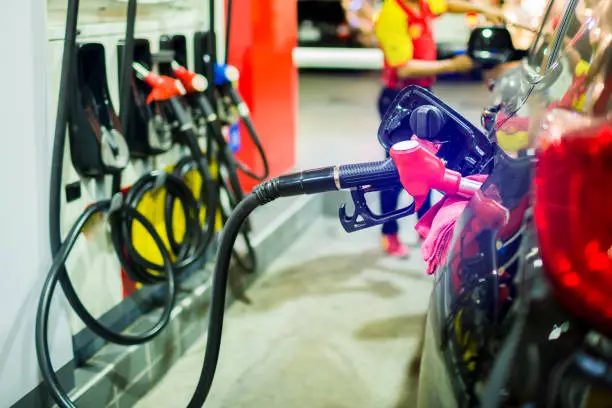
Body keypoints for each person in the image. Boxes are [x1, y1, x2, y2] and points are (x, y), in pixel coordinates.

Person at [373, 0, 505, 257]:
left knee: (431, 164)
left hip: (423, 95)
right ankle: (389, 232)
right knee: (396, 171)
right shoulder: (393, 12)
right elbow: (403, 67)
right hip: (399, 101)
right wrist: (453, 65)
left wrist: (485, 9)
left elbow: (447, 5)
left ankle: (427, 228)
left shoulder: (421, 4)